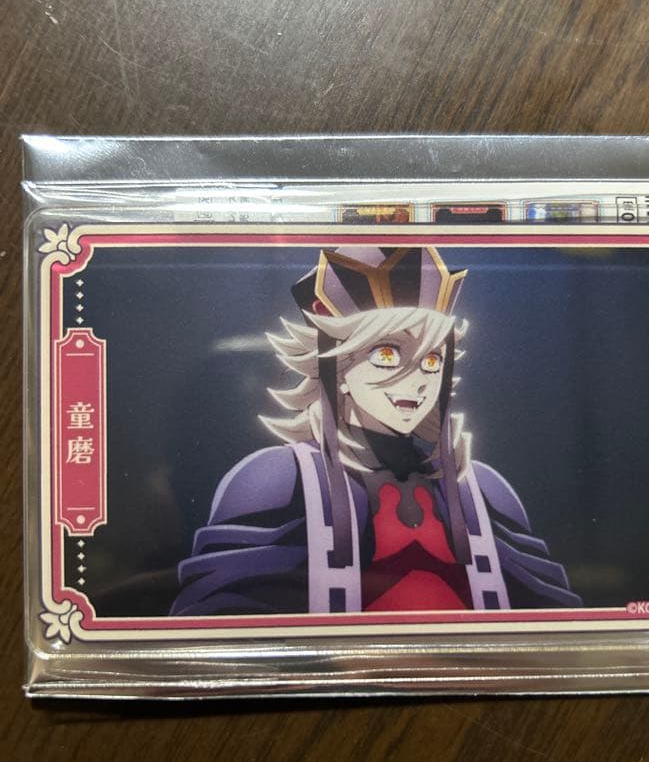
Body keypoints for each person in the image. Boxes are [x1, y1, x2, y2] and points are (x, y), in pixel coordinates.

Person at [171, 245, 580, 617]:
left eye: (432, 360)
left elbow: (558, 628)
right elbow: (217, 635)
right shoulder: (276, 480)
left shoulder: (483, 490)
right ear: (339, 363)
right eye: (387, 354)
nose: (416, 380)